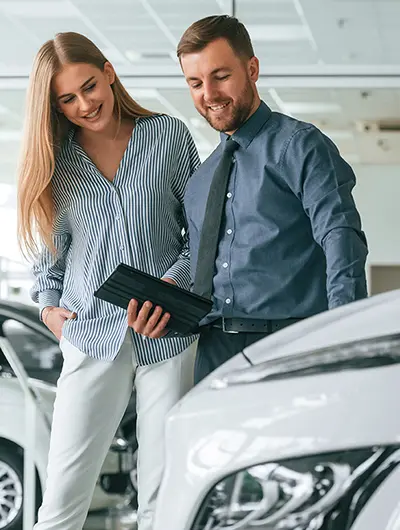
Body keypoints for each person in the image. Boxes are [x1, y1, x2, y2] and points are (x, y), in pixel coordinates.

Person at [17, 31, 199, 530]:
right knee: (62, 498)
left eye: (89, 87)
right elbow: (49, 251)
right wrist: (49, 305)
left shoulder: (167, 135)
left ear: (109, 72)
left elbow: (200, 235)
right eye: (67, 99)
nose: (84, 105)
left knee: (164, 496)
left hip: (168, 330)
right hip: (92, 331)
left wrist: (173, 285)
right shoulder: (56, 163)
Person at [131, 15, 368, 383]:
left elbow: (340, 235)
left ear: (252, 69)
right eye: (195, 82)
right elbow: (200, 273)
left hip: (291, 344)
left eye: (220, 76)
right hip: (214, 354)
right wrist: (168, 315)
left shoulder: (300, 146)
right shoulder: (201, 179)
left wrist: (343, 334)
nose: (208, 94)